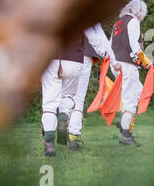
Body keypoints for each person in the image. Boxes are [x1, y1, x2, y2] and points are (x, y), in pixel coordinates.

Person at [41, 28, 107, 156]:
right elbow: (91, 33)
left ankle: (49, 145)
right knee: (69, 96)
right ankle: (63, 116)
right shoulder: (78, 10)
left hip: (50, 57)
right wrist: (102, 51)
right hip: (73, 60)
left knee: (49, 102)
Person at [110, 0, 153, 146]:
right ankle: (126, 135)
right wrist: (145, 61)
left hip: (116, 64)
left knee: (139, 92)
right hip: (127, 65)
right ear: (139, 11)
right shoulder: (133, 22)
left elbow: (110, 45)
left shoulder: (118, 23)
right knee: (131, 99)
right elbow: (134, 45)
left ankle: (123, 121)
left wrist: (112, 63)